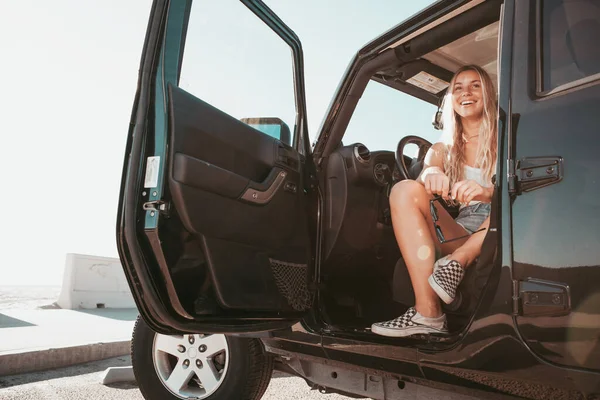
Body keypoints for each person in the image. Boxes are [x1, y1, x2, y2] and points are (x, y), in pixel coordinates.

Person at [371, 65, 497, 337]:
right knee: (404, 190)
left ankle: (457, 264)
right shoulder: (443, 148)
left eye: (475, 85)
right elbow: (427, 172)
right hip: (461, 231)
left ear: (487, 93)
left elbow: (523, 188)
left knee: (507, 202)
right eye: (458, 87)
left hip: (500, 230)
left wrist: (487, 193)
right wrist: (433, 173)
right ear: (450, 99)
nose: (466, 92)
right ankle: (428, 314)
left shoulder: (507, 137)